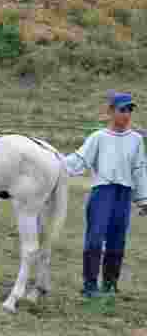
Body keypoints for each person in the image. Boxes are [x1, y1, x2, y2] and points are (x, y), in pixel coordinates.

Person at [65, 92, 147, 298]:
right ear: (110, 112)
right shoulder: (98, 137)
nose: (126, 115)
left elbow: (139, 169)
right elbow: (79, 161)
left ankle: (110, 284)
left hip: (124, 193)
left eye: (129, 110)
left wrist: (143, 199)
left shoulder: (136, 140)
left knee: (117, 240)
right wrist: (55, 163)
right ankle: (90, 285)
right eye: (122, 110)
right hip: (102, 192)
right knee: (95, 238)